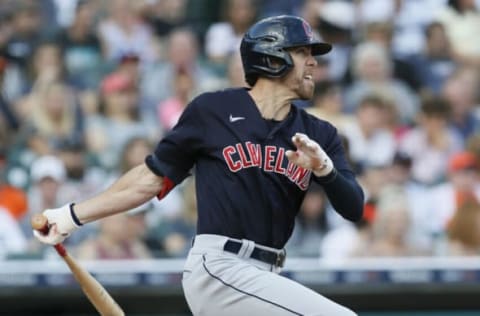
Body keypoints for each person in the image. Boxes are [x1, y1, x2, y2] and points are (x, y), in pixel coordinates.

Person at [34, 15, 364, 316]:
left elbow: (354, 208)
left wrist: (325, 171)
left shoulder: (319, 133)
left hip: (267, 274)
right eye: (301, 52)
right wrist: (69, 216)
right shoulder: (214, 111)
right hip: (220, 268)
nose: (313, 62)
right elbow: (149, 179)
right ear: (271, 56)